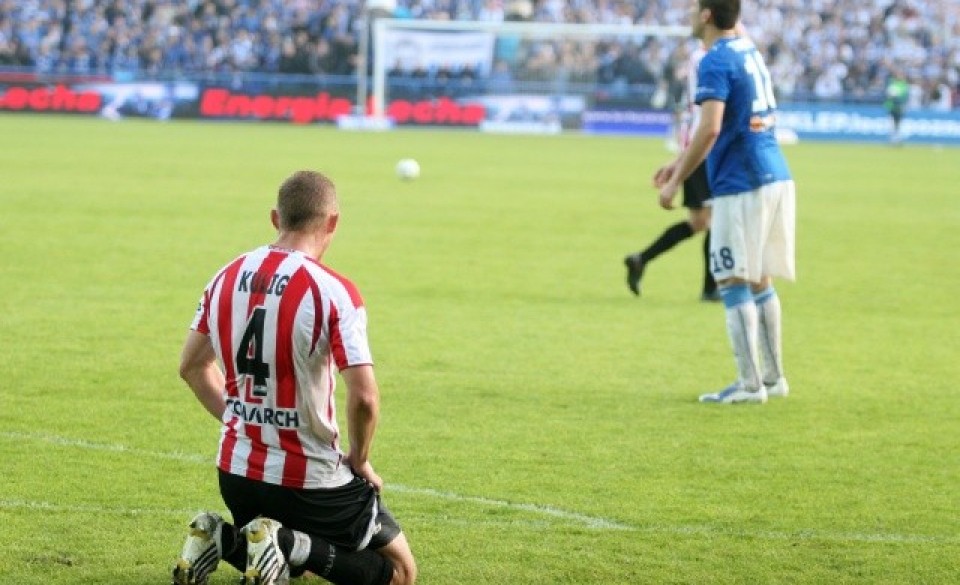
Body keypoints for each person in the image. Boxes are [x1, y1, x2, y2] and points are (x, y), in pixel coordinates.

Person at [173, 170, 417, 585]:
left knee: (291, 568)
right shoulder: (333, 291)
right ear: (333, 222)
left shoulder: (225, 276)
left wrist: (243, 421)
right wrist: (360, 459)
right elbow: (365, 398)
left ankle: (220, 537)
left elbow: (192, 367)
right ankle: (284, 542)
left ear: (275, 218)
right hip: (310, 480)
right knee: (400, 573)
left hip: (237, 475)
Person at [655, 0, 795, 404]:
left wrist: (676, 181)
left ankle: (750, 385)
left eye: (693, 9)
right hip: (774, 173)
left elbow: (710, 127)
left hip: (741, 181)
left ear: (706, 16)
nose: (688, 16)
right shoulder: (748, 48)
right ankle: (773, 378)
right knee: (759, 278)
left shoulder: (714, 60)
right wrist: (678, 162)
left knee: (732, 279)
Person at [624, 38, 719, 302]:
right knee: (715, 220)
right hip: (702, 151)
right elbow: (703, 116)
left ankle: (641, 259)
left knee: (700, 222)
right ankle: (710, 289)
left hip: (696, 147)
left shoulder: (700, 61)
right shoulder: (705, 59)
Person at [884, 68, 909, 145]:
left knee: (899, 124)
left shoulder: (904, 84)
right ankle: (892, 139)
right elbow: (887, 94)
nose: (899, 76)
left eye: (901, 74)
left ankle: (898, 139)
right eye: (898, 74)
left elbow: (905, 96)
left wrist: (898, 98)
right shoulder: (891, 83)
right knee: (891, 123)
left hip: (899, 107)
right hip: (891, 107)